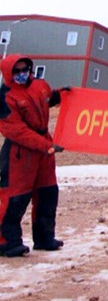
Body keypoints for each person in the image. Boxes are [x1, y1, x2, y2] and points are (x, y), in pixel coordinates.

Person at [0, 54, 65, 257]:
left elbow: (49, 98)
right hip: (20, 154)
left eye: (24, 69)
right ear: (9, 73)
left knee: (48, 194)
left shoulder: (39, 84)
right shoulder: (5, 97)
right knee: (15, 199)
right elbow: (16, 130)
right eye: (17, 71)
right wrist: (45, 145)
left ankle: (45, 238)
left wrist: (64, 95)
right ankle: (7, 242)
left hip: (44, 150)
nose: (22, 74)